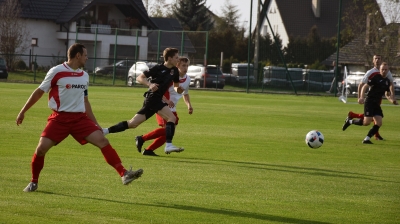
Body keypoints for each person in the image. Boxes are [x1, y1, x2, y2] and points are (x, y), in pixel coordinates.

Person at [16, 43, 143, 192]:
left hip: (80, 119)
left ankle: (124, 174)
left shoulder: (84, 75)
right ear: (77, 56)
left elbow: (85, 101)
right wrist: (23, 111)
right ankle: (34, 182)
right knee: (41, 149)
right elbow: (39, 92)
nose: (87, 58)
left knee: (103, 141)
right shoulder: (57, 71)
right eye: (85, 55)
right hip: (59, 119)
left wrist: (96, 125)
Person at [102, 48, 184, 154]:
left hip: (155, 100)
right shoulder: (158, 68)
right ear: (169, 58)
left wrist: (179, 89)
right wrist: (150, 84)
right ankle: (168, 145)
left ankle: (106, 131)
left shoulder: (175, 71)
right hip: (153, 98)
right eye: (176, 57)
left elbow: (176, 86)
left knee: (133, 124)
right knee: (172, 118)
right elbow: (139, 78)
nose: (178, 59)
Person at [136, 57, 193, 156]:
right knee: (169, 130)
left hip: (172, 107)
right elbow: (160, 91)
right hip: (161, 105)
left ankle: (149, 150)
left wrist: (189, 105)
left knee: (169, 132)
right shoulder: (169, 77)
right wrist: (166, 101)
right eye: (183, 65)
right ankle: (142, 139)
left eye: (187, 65)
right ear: (177, 66)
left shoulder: (188, 79)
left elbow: (185, 93)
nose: (186, 67)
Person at [343, 54, 397, 140]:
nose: (377, 60)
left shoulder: (387, 74)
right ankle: (351, 120)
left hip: (377, 100)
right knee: (368, 120)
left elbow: (389, 87)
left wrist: (392, 98)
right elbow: (362, 85)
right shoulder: (371, 73)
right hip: (370, 99)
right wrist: (360, 97)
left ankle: (369, 137)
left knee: (377, 121)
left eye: (379, 58)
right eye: (376, 58)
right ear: (373, 60)